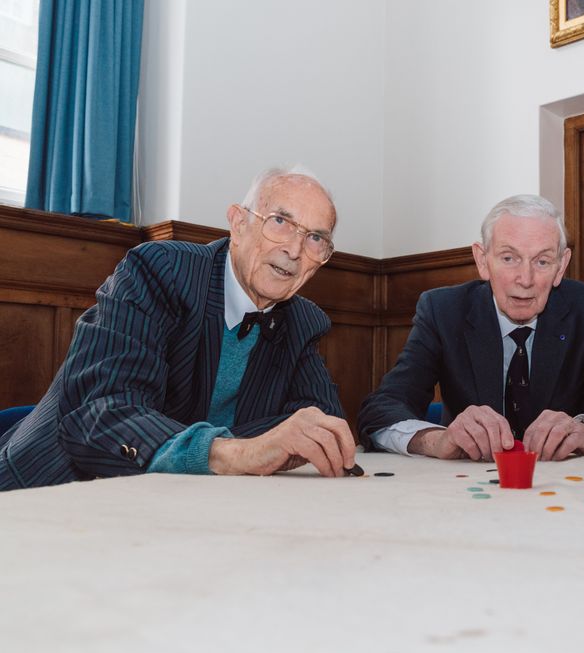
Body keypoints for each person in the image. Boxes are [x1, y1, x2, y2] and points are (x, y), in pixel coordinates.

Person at [0, 167, 358, 491]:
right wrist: (238, 452)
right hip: (44, 494)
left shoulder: (304, 321)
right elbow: (103, 412)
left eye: (315, 238)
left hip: (175, 509)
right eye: (280, 221)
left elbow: (320, 427)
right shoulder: (160, 271)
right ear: (238, 223)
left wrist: (244, 449)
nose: (294, 249)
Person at [358, 194, 584, 462]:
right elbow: (381, 410)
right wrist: (438, 441)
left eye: (542, 261)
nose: (525, 279)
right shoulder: (443, 310)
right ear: (483, 260)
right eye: (509, 258)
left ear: (561, 266)